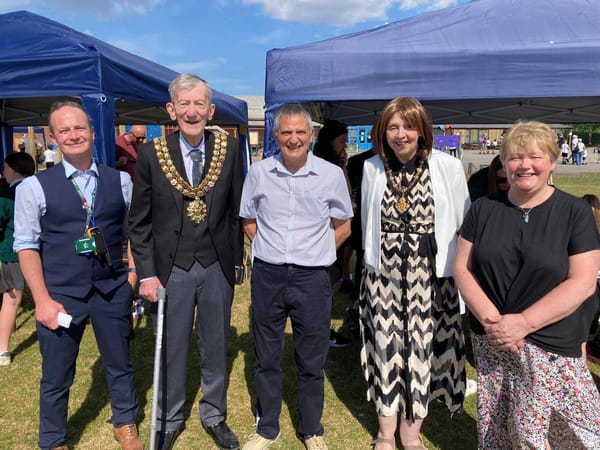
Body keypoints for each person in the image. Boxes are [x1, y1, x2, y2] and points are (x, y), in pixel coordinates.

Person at [453, 120, 600, 448]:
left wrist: (522, 323)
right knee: (502, 426)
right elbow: (462, 268)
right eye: (515, 157)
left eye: (534, 156)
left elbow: (583, 282)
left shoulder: (574, 212)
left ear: (552, 160)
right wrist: (494, 322)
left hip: (551, 340)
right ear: (504, 162)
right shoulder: (483, 209)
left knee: (568, 431)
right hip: (494, 341)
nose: (524, 165)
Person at [14, 101, 142, 450]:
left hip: (112, 287)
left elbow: (131, 233)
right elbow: (25, 246)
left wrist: (130, 276)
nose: (74, 135)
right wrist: (40, 299)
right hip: (60, 294)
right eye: (65, 130)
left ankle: (125, 422)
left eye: (79, 128)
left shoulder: (122, 180)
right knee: (56, 375)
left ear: (93, 132)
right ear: (53, 138)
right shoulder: (34, 187)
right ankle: (53, 439)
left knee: (120, 363)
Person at [128, 74, 244, 450]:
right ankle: (169, 417)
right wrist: (145, 274)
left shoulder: (229, 149)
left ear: (211, 110)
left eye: (199, 104)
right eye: (184, 104)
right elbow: (139, 222)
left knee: (216, 343)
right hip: (170, 267)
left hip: (215, 266)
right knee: (173, 345)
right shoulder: (151, 154)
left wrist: (236, 263)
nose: (192, 112)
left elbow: (234, 211)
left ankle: (214, 414)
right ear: (171, 109)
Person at [239, 103, 352, 450]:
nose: (293, 139)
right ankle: (267, 427)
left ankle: (311, 429)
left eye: (300, 132)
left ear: (311, 135)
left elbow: (344, 224)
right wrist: (271, 249)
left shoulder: (330, 175)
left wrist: (316, 253)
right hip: (269, 276)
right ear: (276, 137)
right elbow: (248, 218)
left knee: (311, 358)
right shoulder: (259, 173)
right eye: (286, 132)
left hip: (312, 279)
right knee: (267, 355)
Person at [360, 97, 469, 450]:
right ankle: (384, 434)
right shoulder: (372, 168)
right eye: (393, 127)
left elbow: (464, 222)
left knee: (423, 353)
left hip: (431, 278)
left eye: (408, 126)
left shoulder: (447, 167)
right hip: (383, 278)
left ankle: (411, 433)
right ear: (382, 132)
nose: (401, 134)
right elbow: (367, 225)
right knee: (385, 349)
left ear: (422, 130)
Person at [312, 119, 352, 347]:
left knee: (326, 287)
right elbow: (344, 197)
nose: (345, 147)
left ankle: (321, 331)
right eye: (342, 142)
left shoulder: (333, 163)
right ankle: (322, 333)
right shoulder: (326, 168)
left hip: (335, 234)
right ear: (330, 142)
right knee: (323, 289)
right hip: (326, 235)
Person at [0, 152, 36, 366]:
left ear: (14, 169)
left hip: (13, 253)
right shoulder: (40, 188)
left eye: (5, 167)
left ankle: (3, 350)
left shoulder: (7, 194)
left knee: (12, 299)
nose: (3, 171)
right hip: (41, 251)